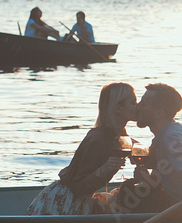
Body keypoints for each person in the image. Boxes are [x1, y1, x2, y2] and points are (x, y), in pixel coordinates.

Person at [26, 83, 138, 215]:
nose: (138, 107)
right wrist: (104, 170)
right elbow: (78, 187)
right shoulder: (99, 139)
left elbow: (140, 149)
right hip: (67, 201)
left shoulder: (118, 134)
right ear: (119, 107)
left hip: (80, 199)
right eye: (133, 102)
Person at [115, 83, 182, 213]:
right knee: (130, 189)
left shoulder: (172, 137)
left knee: (128, 194)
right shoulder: (167, 133)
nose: (138, 107)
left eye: (143, 104)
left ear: (159, 113)